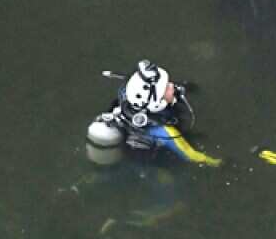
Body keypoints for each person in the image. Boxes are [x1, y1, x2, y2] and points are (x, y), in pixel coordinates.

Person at [85, 60, 222, 166]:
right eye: (166, 87)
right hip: (150, 162)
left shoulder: (127, 95)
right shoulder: (165, 131)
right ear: (156, 103)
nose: (171, 86)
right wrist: (217, 163)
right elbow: (191, 155)